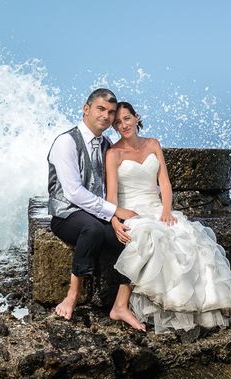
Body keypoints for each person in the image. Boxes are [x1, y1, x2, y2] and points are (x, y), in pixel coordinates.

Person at [106, 101, 231, 333]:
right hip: (133, 212)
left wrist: (166, 210)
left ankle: (199, 308)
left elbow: (164, 182)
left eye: (127, 119)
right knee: (150, 236)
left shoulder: (153, 144)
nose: (123, 125)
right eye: (117, 122)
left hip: (158, 208)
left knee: (189, 238)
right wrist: (114, 220)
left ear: (136, 117)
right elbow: (111, 196)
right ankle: (121, 306)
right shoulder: (113, 153)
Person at [47, 89, 145, 331]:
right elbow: (73, 192)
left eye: (111, 112)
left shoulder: (107, 146)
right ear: (86, 108)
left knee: (133, 237)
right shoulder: (66, 142)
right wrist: (114, 211)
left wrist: (114, 218)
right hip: (66, 214)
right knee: (91, 230)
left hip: (96, 213)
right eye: (101, 109)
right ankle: (72, 296)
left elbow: (107, 190)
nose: (106, 116)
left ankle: (120, 306)